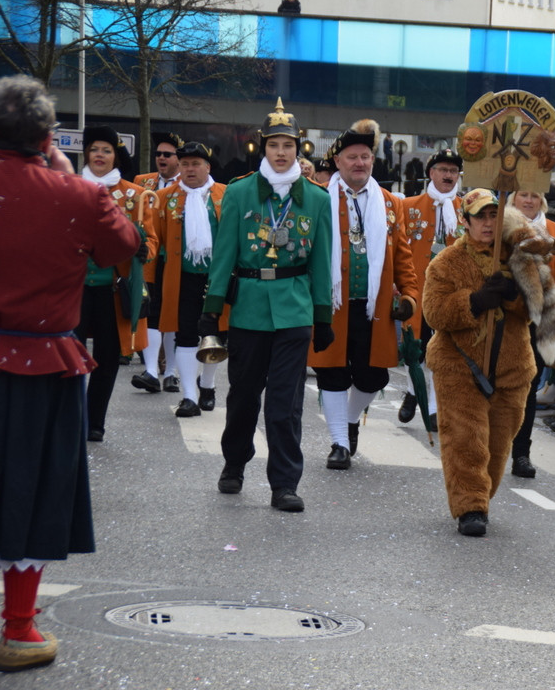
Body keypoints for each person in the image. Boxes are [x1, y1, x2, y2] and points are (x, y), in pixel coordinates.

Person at [0, 74, 140, 672]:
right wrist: (65, 171)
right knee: (33, 493)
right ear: (49, 136)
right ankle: (19, 631)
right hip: (40, 359)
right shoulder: (76, 195)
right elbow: (123, 245)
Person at [202, 98, 333, 512]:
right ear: (263, 147)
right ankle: (234, 464)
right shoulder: (239, 192)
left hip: (294, 310)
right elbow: (224, 255)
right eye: (274, 144)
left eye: (289, 145)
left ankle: (284, 483)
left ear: (299, 150)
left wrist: (323, 315)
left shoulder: (316, 199)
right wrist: (212, 307)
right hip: (250, 309)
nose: (281, 152)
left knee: (284, 404)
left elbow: (323, 261)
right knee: (243, 397)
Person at [422, 189, 540, 536]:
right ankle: (471, 506)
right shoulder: (445, 262)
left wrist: (513, 295)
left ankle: (479, 495)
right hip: (459, 366)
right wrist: (473, 302)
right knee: (465, 438)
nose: (487, 223)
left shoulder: (519, 256)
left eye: (493, 215)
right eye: (479, 217)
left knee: (499, 443)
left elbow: (537, 308)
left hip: (512, 367)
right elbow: (434, 313)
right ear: (465, 221)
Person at [308, 118, 419, 470]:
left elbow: (402, 258)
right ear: (337, 162)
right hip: (332, 304)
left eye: (365, 157)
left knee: (374, 376)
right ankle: (339, 442)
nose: (360, 163)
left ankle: (351, 420)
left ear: (373, 161)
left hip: (377, 308)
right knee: (332, 373)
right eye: (352, 157)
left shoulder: (390, 204)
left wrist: (410, 297)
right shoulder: (317, 198)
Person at [77, 125, 159, 442]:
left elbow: (151, 242)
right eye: (95, 149)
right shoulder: (68, 188)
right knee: (67, 353)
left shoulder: (134, 196)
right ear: (86, 152)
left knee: (108, 357)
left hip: (113, 289)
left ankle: (95, 421)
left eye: (107, 150)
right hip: (73, 290)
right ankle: (70, 416)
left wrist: (143, 250)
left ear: (115, 155)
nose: (100, 155)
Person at [147, 142, 228, 417]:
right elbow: (154, 241)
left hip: (217, 278)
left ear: (208, 166)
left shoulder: (225, 196)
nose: (190, 169)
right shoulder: (165, 197)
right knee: (185, 335)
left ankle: (207, 384)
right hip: (180, 279)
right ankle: (189, 397)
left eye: (196, 164)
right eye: (185, 164)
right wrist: (150, 283)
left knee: (216, 335)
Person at [507, 189, 555, 478]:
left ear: (542, 201)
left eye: (534, 196)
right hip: (509, 317)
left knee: (530, 387)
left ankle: (521, 454)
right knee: (503, 386)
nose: (529, 200)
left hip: (543, 322)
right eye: (523, 195)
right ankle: (496, 443)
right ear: (514, 200)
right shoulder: (503, 226)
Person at [396, 148, 463, 427]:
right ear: (431, 173)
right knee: (415, 347)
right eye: (442, 170)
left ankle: (430, 404)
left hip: (448, 293)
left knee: (441, 349)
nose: (448, 175)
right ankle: (414, 391)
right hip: (415, 290)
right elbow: (396, 249)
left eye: (453, 171)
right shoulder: (408, 206)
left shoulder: (467, 208)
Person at [133, 132, 185, 392]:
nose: (161, 158)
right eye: (158, 154)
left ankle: (171, 373)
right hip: (151, 258)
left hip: (177, 258)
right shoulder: (142, 183)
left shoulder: (188, 183)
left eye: (168, 154)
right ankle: (152, 370)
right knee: (151, 313)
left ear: (179, 159)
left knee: (173, 314)